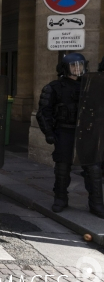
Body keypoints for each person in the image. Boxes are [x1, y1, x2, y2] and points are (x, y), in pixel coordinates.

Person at [36, 53, 103, 218]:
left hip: (87, 133)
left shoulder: (91, 86)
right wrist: (49, 133)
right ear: (65, 68)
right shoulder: (54, 87)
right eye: (73, 66)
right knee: (62, 168)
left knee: (93, 169)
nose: (77, 69)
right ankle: (60, 199)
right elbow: (43, 113)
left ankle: (96, 204)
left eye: (80, 65)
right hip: (65, 131)